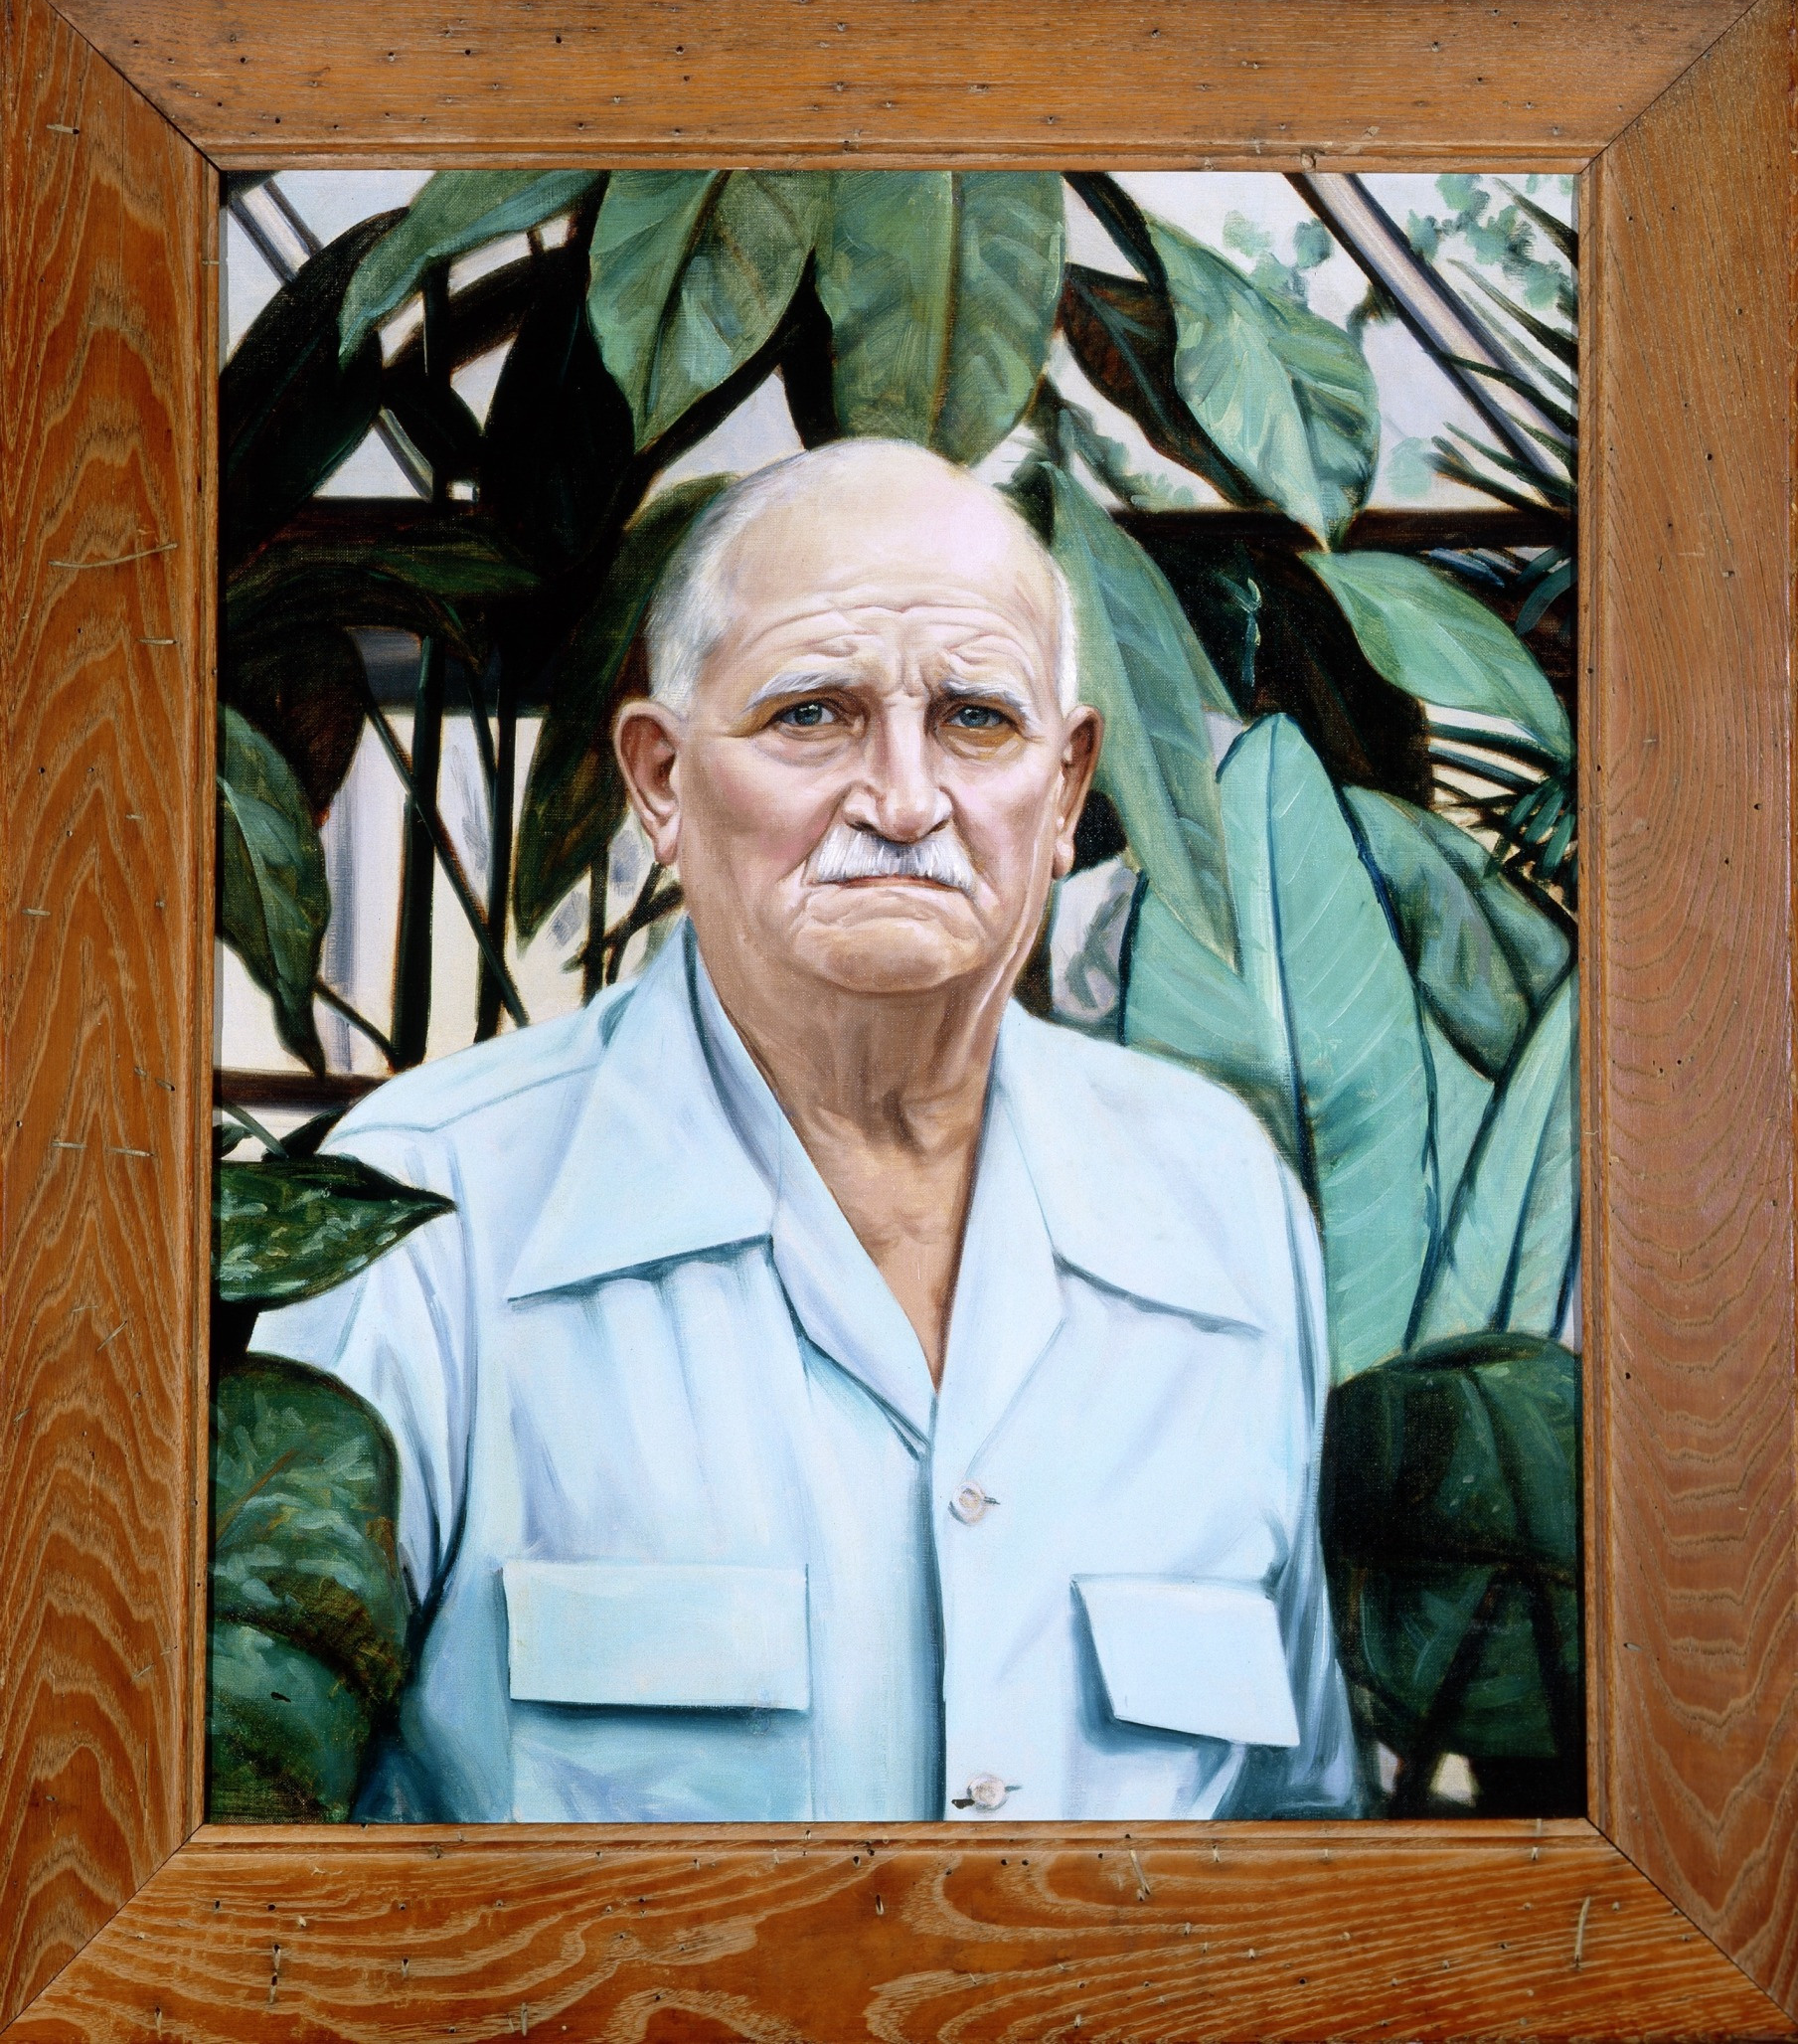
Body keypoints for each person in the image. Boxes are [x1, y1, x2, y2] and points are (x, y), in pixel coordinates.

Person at [252, 437, 1358, 1823]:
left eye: (975, 721)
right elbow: (257, 1867)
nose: (901, 802)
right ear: (657, 780)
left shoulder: (1221, 1205)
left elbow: (1299, 1844)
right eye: (812, 715)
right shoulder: (427, 1208)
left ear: (1064, 792)